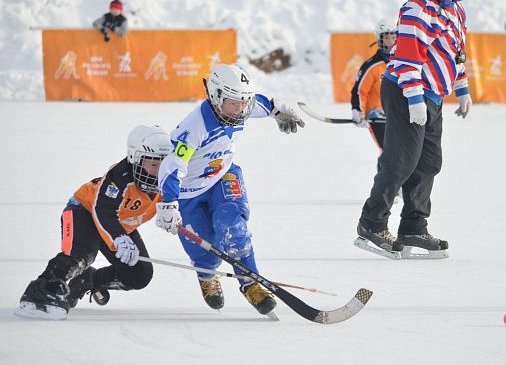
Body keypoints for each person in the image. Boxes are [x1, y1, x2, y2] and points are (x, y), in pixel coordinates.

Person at [155, 63, 305, 316]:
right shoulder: (195, 127)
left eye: (244, 102)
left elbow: (262, 103)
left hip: (222, 177)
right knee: (204, 247)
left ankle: (251, 284)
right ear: (216, 97)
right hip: (187, 192)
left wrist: (279, 110)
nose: (241, 109)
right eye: (234, 103)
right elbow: (173, 166)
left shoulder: (241, 107)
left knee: (233, 225)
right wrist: (167, 203)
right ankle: (206, 273)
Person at [355, 0, 471, 259]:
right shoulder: (417, 8)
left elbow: (456, 53)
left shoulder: (457, 11)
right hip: (406, 90)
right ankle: (372, 222)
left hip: (432, 95)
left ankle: (414, 227)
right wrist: (415, 98)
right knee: (401, 161)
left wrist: (462, 89)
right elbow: (407, 59)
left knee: (429, 162)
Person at [16, 125, 172, 320]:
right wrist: (119, 239)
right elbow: (103, 211)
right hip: (85, 212)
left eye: (164, 164)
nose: (159, 172)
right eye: (153, 164)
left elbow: (183, 200)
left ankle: (88, 280)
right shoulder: (120, 176)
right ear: (135, 158)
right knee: (82, 255)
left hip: (118, 225)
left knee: (139, 274)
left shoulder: (169, 180)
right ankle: (41, 290)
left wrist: (175, 215)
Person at [351, 18, 397, 151]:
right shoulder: (372, 65)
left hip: (398, 118)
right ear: (379, 39)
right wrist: (358, 110)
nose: (391, 42)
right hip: (378, 119)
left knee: (403, 156)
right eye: (387, 38)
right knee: (389, 154)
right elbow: (360, 91)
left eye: (394, 38)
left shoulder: (402, 64)